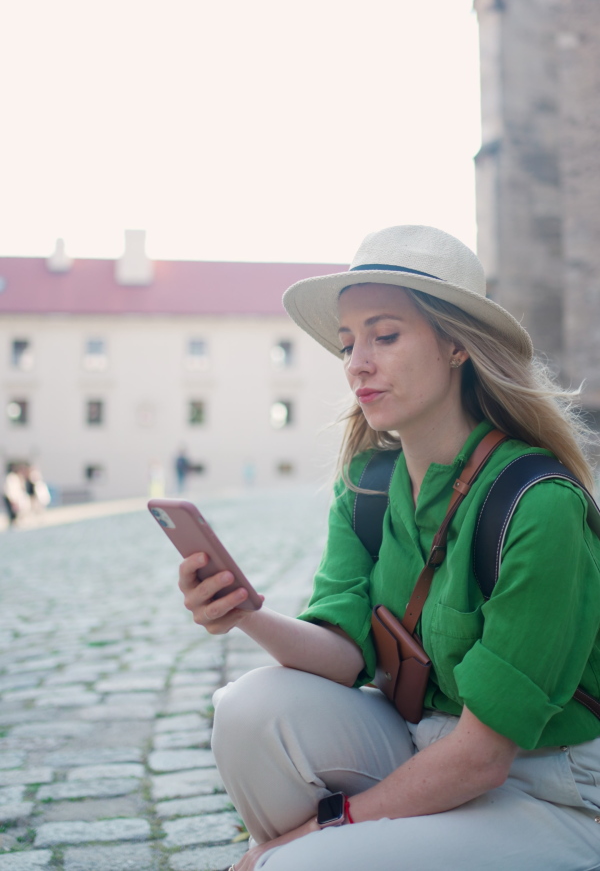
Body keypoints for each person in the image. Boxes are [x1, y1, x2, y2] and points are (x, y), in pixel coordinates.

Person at [178, 225, 600, 871]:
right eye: (348, 343)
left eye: (385, 334)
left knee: (295, 865)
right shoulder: (368, 488)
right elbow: (345, 653)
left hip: (554, 789)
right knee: (248, 707)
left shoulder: (538, 502)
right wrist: (244, 613)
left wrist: (313, 836)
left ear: (457, 342)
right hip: (420, 742)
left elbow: (484, 756)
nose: (357, 362)